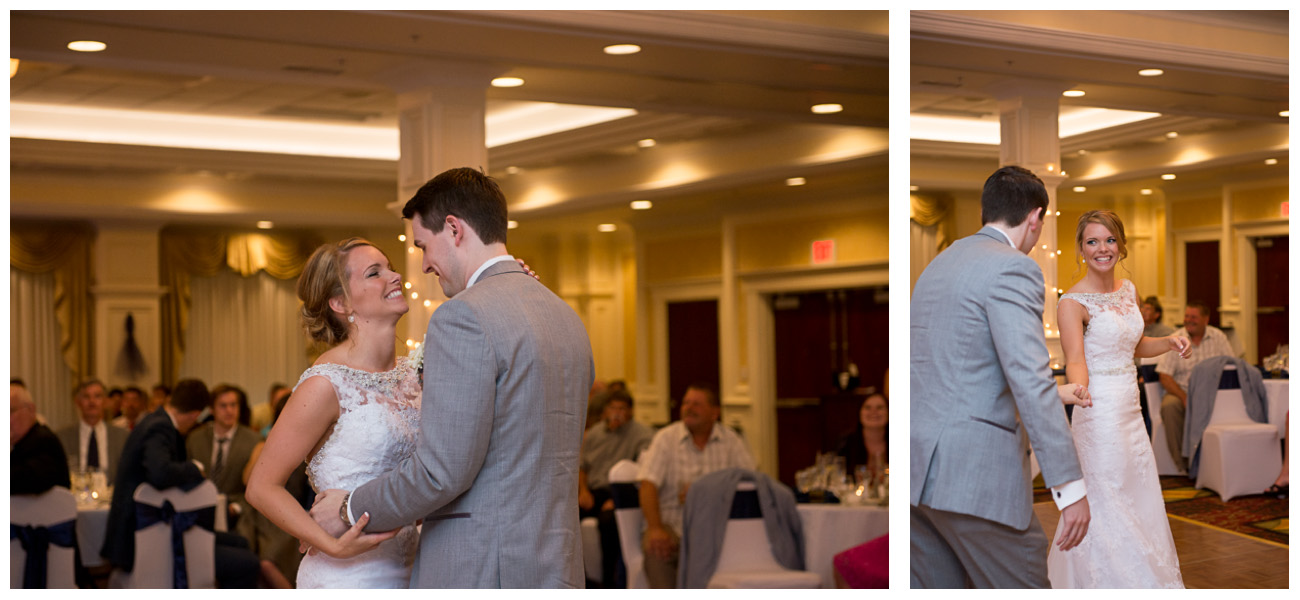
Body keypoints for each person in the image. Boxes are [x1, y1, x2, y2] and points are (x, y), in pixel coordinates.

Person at [307, 167, 595, 588]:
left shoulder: (463, 317)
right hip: (557, 563)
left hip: (482, 566)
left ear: (454, 229)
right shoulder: (565, 315)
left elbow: (441, 473)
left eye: (423, 246)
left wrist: (349, 508)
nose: (423, 265)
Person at [910, 166, 1092, 588]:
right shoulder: (1014, 268)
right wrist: (1069, 487)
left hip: (918, 477)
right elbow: (1029, 379)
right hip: (975, 479)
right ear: (1035, 218)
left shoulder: (937, 264)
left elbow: (957, 369)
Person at [246, 238, 419, 588]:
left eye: (390, 267)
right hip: (351, 577)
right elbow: (262, 486)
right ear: (340, 303)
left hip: (419, 567)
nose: (395, 276)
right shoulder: (325, 383)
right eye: (375, 272)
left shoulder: (415, 373)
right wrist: (332, 545)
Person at [1046, 210, 1190, 588]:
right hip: (1100, 413)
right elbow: (1075, 359)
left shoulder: (1128, 290)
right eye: (1092, 241)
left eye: (1109, 240)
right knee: (1106, 500)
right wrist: (1081, 393)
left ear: (1122, 245)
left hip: (1131, 409)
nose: (1102, 249)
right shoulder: (1071, 303)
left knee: (1136, 494)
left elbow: (1135, 345)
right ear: (1080, 249)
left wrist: (1170, 342)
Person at [103, 379, 286, 588]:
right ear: (194, 414)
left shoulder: (156, 422)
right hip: (142, 534)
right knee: (247, 563)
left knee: (241, 543)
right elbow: (160, 473)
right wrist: (195, 469)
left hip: (157, 526)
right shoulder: (160, 427)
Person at [637, 384, 756, 588]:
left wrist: (709, 493)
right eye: (686, 403)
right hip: (672, 527)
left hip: (716, 529)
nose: (688, 408)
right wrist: (655, 528)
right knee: (656, 551)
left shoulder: (731, 442)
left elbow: (750, 484)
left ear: (714, 412)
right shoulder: (666, 439)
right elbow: (647, 485)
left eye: (697, 404)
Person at [579, 389, 654, 587]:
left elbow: (643, 471)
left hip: (621, 493)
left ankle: (608, 582)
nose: (617, 412)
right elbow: (582, 467)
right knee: (565, 514)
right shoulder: (594, 434)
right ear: (605, 411)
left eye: (622, 408)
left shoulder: (642, 435)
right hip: (594, 491)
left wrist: (618, 498)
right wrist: (583, 491)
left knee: (608, 522)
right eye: (612, 408)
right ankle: (580, 578)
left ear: (630, 411)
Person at [1157, 302, 1236, 472]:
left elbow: (1231, 366)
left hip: (1212, 393)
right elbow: (1165, 376)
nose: (1188, 320)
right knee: (1169, 406)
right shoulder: (1176, 339)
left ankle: (1218, 464)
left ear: (1206, 319)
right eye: (1186, 316)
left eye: (1193, 317)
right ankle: (1183, 464)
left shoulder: (1219, 338)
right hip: (1182, 391)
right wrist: (1184, 398)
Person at [187, 384, 262, 534]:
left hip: (236, 515)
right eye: (223, 406)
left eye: (233, 405)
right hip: (198, 510)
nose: (229, 411)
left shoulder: (254, 441)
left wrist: (236, 507)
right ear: (212, 409)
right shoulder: (195, 439)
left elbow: (257, 489)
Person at [56, 379, 129, 482]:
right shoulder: (62, 437)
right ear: (78, 401)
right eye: (86, 397)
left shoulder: (121, 436)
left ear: (105, 401)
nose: (92, 402)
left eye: (97, 396)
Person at [11, 382, 72, 494]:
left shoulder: (43, 441)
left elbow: (26, 480)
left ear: (31, 409)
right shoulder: (23, 441)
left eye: (10, 411)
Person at [838, 393, 888, 484]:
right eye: (868, 408)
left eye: (880, 407)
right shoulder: (846, 443)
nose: (874, 412)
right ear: (859, 413)